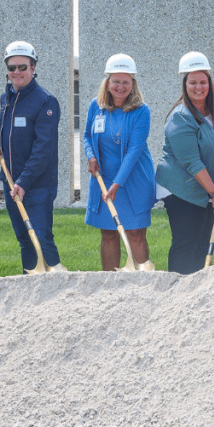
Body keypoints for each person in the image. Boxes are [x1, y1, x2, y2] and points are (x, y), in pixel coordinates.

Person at [155, 52, 214, 274]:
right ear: (185, 84)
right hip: (184, 190)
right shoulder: (180, 117)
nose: (199, 87)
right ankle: (178, 291)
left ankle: (197, 291)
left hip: (210, 188)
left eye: (203, 82)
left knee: (203, 243)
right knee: (187, 243)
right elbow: (192, 162)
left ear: (209, 82)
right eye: (193, 82)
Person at [0, 41, 64, 273]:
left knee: (40, 237)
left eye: (23, 67)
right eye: (12, 68)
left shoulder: (45, 101)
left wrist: (23, 182)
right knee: (24, 238)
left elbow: (44, 149)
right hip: (11, 181)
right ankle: (29, 284)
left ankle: (56, 285)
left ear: (33, 67)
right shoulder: (7, 98)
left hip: (37, 184)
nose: (17, 72)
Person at [83, 54, 156, 271]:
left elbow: (134, 151)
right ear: (107, 82)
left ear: (133, 84)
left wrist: (117, 184)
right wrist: (91, 156)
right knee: (108, 233)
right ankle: (110, 284)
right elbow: (87, 135)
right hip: (103, 178)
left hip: (132, 181)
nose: (120, 86)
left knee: (135, 234)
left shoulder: (141, 111)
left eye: (126, 81)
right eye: (116, 81)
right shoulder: (96, 106)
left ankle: (142, 284)